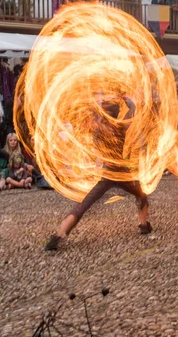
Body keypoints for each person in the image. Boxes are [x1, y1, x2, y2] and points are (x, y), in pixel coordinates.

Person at [44, 97, 153, 251]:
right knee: (141, 194)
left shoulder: (97, 128)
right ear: (117, 113)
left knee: (84, 206)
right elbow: (133, 112)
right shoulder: (120, 127)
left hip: (107, 174)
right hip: (123, 174)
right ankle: (143, 224)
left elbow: (89, 117)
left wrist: (95, 105)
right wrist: (126, 99)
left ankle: (60, 233)